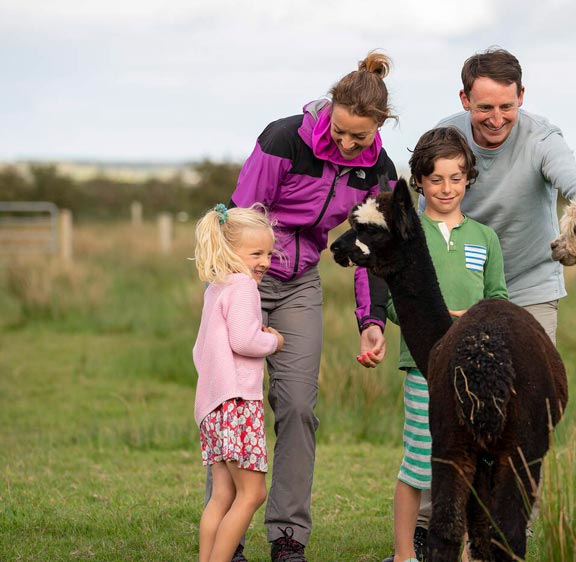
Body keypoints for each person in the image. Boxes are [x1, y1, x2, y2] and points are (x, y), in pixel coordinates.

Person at [220, 51, 399, 562]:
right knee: (236, 409)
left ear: (378, 127)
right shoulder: (284, 139)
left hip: (301, 284)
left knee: (298, 408)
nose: (344, 143)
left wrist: (372, 321)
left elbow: (370, 246)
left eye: (357, 137)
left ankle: (288, 538)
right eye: (338, 130)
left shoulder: (379, 172)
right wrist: (236, 288)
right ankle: (227, 536)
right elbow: (240, 218)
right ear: (331, 109)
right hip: (245, 281)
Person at [416, 46, 576, 542]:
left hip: (529, 286)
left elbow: (574, 180)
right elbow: (421, 213)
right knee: (450, 407)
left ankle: (509, 528)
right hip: (464, 287)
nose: (496, 118)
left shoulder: (542, 137)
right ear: (464, 99)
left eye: (506, 106)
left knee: (529, 410)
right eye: (484, 107)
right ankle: (436, 526)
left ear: (522, 97)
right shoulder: (447, 136)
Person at [384, 127, 508, 562]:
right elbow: (396, 302)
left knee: (476, 463)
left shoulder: (484, 238)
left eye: (456, 178)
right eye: (436, 179)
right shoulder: (408, 235)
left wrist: (473, 320)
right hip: (424, 368)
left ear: (468, 179)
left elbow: (498, 300)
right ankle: (403, 555)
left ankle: (474, 551)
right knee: (419, 463)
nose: (446, 188)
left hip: (474, 373)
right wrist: (434, 321)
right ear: (419, 181)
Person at [193, 204, 285, 562]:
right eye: (256, 253)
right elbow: (244, 342)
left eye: (268, 253)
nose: (264, 261)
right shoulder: (244, 286)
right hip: (238, 406)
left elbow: (201, 349)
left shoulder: (216, 288)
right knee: (252, 494)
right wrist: (274, 341)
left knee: (222, 495)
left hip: (212, 406)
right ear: (232, 252)